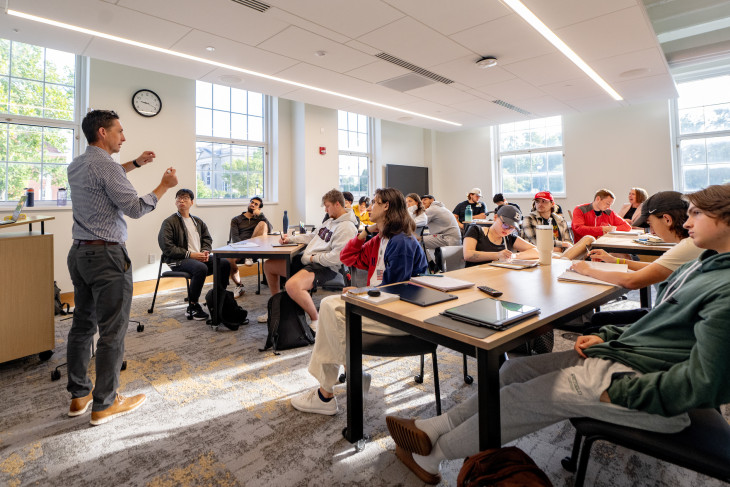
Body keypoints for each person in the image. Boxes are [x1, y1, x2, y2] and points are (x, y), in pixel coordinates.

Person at [386, 183, 730, 485]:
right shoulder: (708, 263)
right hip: (631, 357)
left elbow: (706, 381)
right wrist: (609, 337)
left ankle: (430, 457)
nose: (686, 222)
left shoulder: (725, 288)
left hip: (646, 390)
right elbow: (660, 321)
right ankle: (435, 427)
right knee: (515, 369)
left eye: (697, 214)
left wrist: (622, 389)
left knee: (518, 399)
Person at [66, 109, 178, 426]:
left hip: (80, 254)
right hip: (107, 258)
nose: (124, 137)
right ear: (103, 132)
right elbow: (135, 207)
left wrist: (137, 164)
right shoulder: (107, 167)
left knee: (82, 327)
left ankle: (80, 396)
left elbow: (107, 180)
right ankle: (105, 403)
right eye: (119, 131)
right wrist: (164, 185)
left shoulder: (78, 164)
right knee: (113, 332)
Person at [290, 188, 428, 415]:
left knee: (330, 307)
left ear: (386, 207)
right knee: (330, 309)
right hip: (379, 305)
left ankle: (326, 394)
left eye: (375, 202)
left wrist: (363, 291)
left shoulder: (401, 243)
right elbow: (347, 257)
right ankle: (348, 378)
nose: (368, 207)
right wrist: (364, 233)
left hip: (401, 318)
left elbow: (397, 292)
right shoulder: (381, 239)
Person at [260, 189, 358, 327]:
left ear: (337, 204)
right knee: (269, 266)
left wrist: (312, 258)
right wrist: (291, 239)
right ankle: (277, 308)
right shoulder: (330, 221)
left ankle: (316, 319)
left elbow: (337, 258)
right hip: (310, 260)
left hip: (325, 267)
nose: (325, 209)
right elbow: (313, 236)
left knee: (292, 286)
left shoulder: (347, 227)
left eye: (327, 206)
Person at [571, 191, 702, 289]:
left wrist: (587, 270)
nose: (652, 231)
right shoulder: (691, 243)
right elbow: (655, 267)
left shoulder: (687, 247)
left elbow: (630, 280)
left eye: (650, 224)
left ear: (667, 219)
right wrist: (615, 260)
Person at [158, 188, 233, 323]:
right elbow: (167, 247)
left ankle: (218, 298)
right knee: (201, 268)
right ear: (176, 203)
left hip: (197, 259)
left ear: (192, 202)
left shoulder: (197, 221)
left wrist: (205, 251)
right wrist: (191, 255)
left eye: (185, 198)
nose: (181, 200)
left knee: (224, 263)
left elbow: (207, 239)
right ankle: (192, 305)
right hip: (178, 260)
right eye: (179, 198)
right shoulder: (169, 222)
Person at [463, 205, 538, 267]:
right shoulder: (476, 230)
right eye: (505, 225)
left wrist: (513, 256)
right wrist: (497, 255)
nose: (507, 230)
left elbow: (537, 251)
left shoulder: (510, 238)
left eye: (512, 228)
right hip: (475, 275)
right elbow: (468, 255)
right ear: (495, 218)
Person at [228, 196, 272, 297]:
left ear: (259, 208)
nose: (252, 204)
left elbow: (270, 230)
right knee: (228, 260)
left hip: (255, 250)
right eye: (252, 202)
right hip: (240, 248)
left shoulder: (259, 220)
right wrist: (244, 250)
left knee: (262, 224)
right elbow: (235, 238)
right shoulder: (236, 220)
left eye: (256, 204)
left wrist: (261, 215)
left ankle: (249, 255)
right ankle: (239, 285)